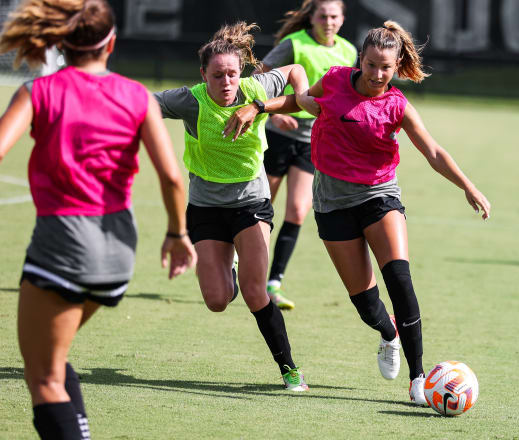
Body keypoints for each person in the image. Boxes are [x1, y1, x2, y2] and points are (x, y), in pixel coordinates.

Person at [0, 0, 197, 438]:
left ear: (61, 43)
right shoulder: (137, 96)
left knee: (44, 378)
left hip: (63, 244)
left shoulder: (40, 91)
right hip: (117, 252)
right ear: (111, 44)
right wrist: (176, 233)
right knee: (53, 357)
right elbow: (170, 176)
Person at [295, 21, 491, 405]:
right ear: (360, 60)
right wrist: (290, 102)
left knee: (400, 280)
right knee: (366, 304)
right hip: (332, 202)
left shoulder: (397, 104)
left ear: (398, 64)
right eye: (371, 65)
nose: (377, 74)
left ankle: (418, 378)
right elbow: (309, 100)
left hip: (379, 195)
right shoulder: (335, 79)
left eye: (386, 67)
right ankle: (388, 334)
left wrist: (469, 186)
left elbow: (433, 152)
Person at [153, 22, 311, 392]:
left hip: (251, 204)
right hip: (205, 207)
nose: (227, 82)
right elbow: (141, 104)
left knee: (257, 293)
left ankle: (289, 370)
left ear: (241, 73)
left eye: (233, 74)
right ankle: (232, 270)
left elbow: (295, 71)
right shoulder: (190, 101)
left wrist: (282, 102)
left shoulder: (256, 89)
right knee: (217, 301)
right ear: (203, 75)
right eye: (218, 75)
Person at [260, 0, 357, 309]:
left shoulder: (349, 51)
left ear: (342, 19)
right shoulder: (294, 44)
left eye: (334, 16)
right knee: (261, 208)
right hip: (279, 135)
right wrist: (273, 116)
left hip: (314, 141)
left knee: (298, 211)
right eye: (323, 15)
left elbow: (347, 95)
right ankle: (236, 263)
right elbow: (261, 78)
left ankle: (273, 283)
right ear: (312, 18)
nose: (328, 21)